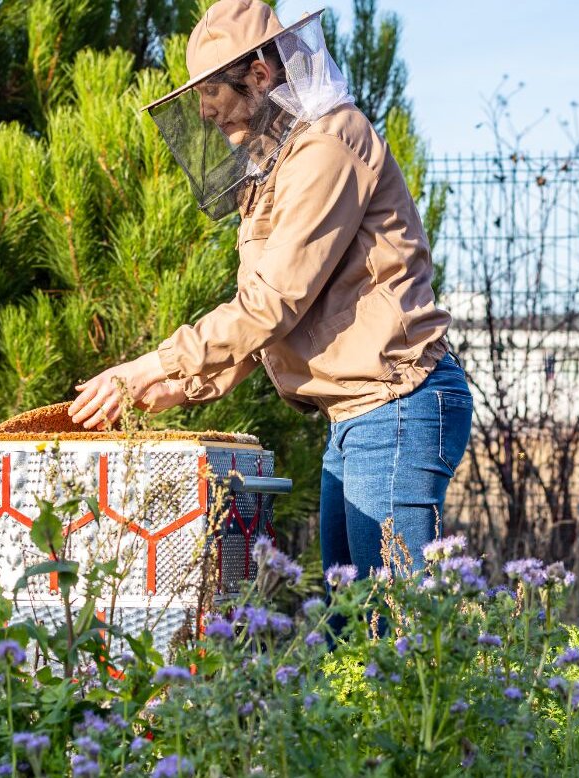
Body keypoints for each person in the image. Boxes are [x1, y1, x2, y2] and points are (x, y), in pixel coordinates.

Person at [67, 0, 471, 577]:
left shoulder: (329, 145)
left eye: (212, 93)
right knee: (350, 624)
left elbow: (272, 303)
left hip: (398, 405)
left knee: (398, 624)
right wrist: (178, 386)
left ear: (260, 74)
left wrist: (146, 368)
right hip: (357, 413)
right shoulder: (280, 161)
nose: (203, 112)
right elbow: (271, 323)